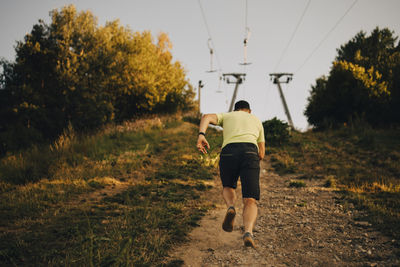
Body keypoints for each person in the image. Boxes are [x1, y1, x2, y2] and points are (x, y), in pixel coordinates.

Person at [196, 100, 265, 248]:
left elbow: (206, 116)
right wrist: (253, 160)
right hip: (250, 152)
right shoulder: (256, 120)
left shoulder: (227, 116)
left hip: (229, 152)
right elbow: (262, 153)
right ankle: (248, 233)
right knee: (250, 199)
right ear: (249, 111)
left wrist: (201, 135)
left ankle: (231, 207)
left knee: (228, 186)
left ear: (235, 110)